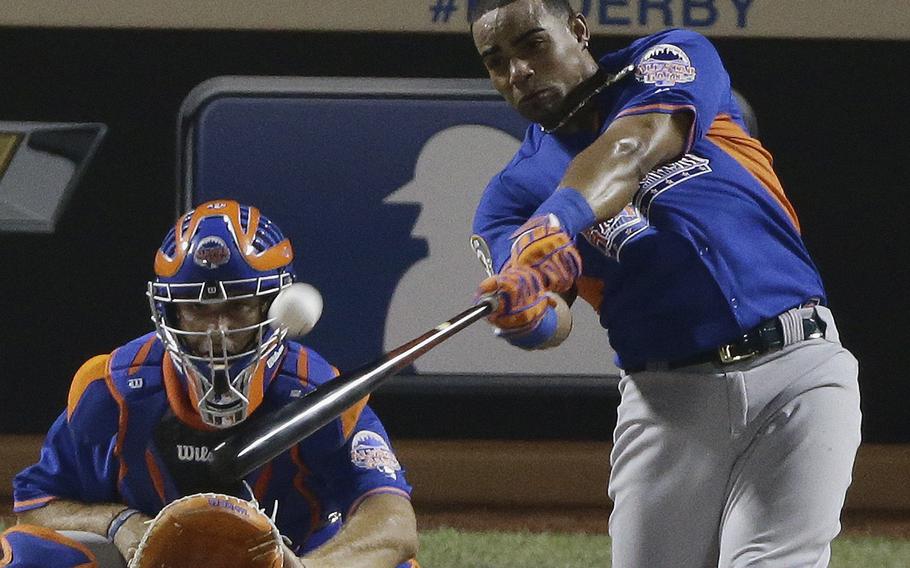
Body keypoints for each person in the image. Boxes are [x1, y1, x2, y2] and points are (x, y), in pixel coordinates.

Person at [468, 1, 862, 566]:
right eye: (495, 61)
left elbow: (632, 144)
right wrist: (528, 316)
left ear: (578, 31)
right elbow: (551, 315)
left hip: (798, 368)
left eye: (532, 44)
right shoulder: (509, 198)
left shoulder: (667, 59)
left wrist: (555, 225)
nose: (517, 71)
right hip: (667, 401)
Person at [3, 199, 419, 568]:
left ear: (275, 309)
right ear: (170, 312)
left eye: (237, 307)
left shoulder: (322, 396)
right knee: (20, 554)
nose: (216, 333)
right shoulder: (110, 388)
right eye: (198, 310)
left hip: (289, 557)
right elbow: (38, 505)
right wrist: (119, 523)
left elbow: (394, 526)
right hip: (147, 563)